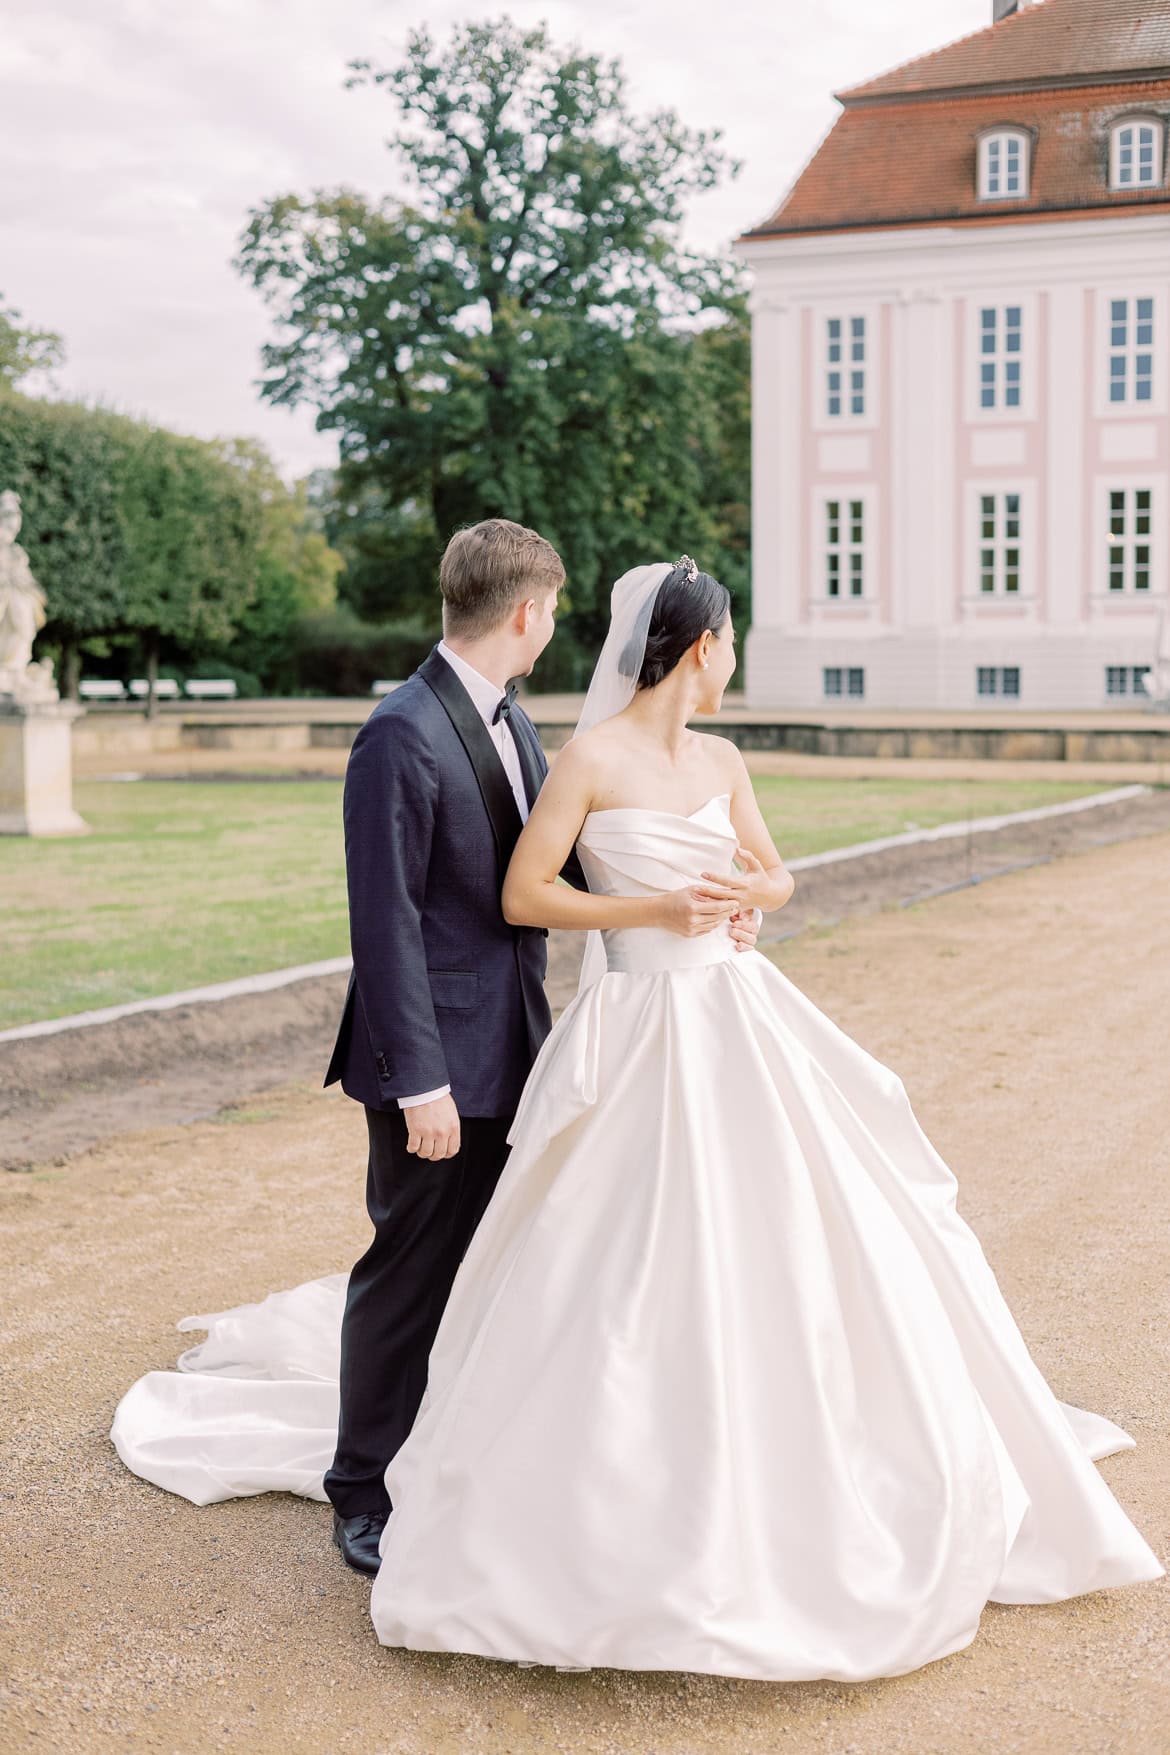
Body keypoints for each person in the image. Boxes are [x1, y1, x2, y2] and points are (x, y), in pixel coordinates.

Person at [111, 557, 1164, 1683]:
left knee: (776, 1237)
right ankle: (396, 1478)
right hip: (611, 1032)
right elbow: (502, 899)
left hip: (723, 1021)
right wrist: (653, 913)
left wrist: (745, 903)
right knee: (548, 1256)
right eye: (732, 641)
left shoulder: (643, 743)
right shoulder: (537, 747)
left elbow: (774, 875)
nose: (734, 659)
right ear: (699, 644)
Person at [109, 525, 760, 1578]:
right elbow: (386, 927)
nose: (557, 625)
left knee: (492, 1268)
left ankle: (450, 1456)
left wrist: (691, 910)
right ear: (526, 612)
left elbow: (552, 877)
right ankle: (359, 1491)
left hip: (519, 1048)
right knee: (407, 1274)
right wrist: (422, 1083)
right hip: (434, 1071)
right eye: (552, 608)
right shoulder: (400, 733)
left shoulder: (512, 725)